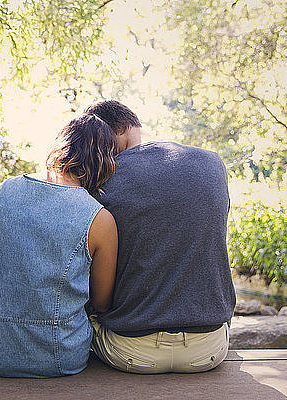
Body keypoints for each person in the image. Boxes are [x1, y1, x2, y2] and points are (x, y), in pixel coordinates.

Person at [0, 114, 118, 378]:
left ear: (60, 148)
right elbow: (102, 303)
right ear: (104, 162)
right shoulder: (100, 219)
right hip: (58, 357)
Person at [84, 100, 236, 374]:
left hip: (131, 351)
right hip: (209, 348)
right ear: (133, 126)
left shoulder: (102, 180)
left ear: (105, 134)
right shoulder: (212, 163)